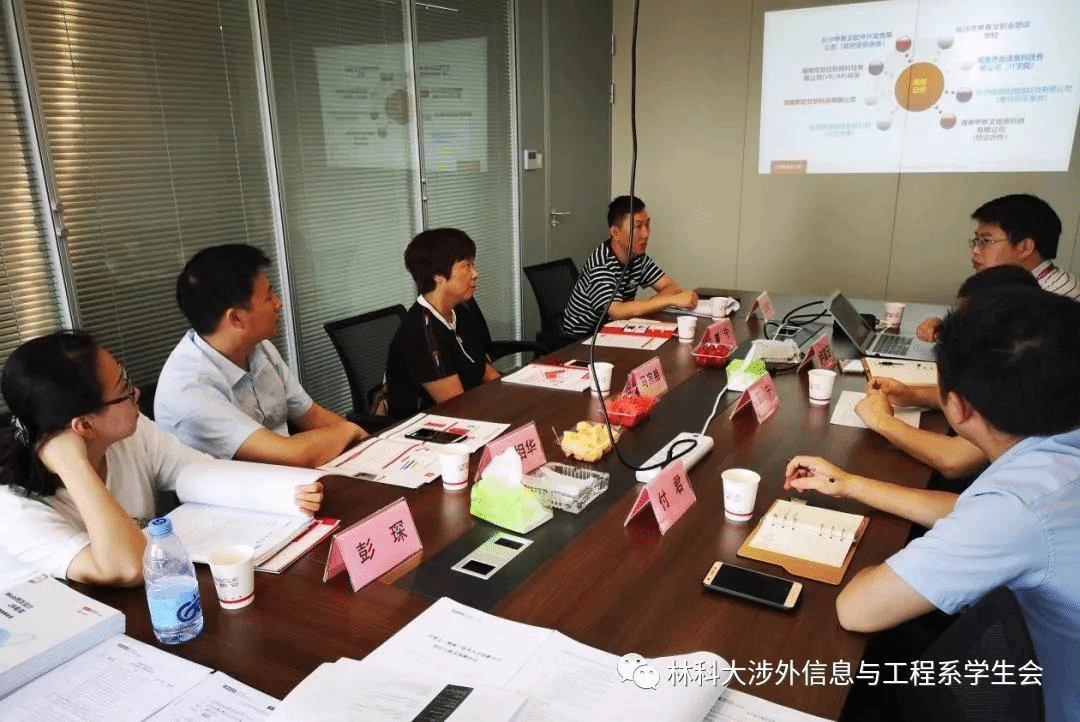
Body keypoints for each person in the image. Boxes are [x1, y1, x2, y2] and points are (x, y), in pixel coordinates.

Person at [786, 287, 1080, 722]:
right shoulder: (1054, 455)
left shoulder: (1019, 508)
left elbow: (857, 609)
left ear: (956, 407)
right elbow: (970, 511)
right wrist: (848, 485)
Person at [0, 331, 325, 587]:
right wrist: (75, 465)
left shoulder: (128, 436)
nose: (137, 393)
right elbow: (128, 567)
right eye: (124, 389)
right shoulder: (16, 509)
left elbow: (199, 472)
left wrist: (281, 492)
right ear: (84, 425)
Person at [155, 244, 366, 467]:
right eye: (269, 297)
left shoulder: (259, 347)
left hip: (288, 476)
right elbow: (290, 454)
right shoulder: (189, 390)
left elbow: (312, 417)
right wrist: (349, 430)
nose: (279, 303)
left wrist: (369, 443)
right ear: (236, 319)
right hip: (243, 485)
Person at [855, 266, 1040, 480]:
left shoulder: (1029, 380)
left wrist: (882, 421)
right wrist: (913, 396)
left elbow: (953, 459)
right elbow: (978, 395)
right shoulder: (1026, 353)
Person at [917, 193, 1080, 341]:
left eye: (986, 241)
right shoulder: (1013, 287)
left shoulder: (1059, 303)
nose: (975, 251)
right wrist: (945, 328)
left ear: (1025, 247)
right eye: (976, 241)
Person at [385, 228, 500, 419]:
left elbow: (485, 371)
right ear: (438, 275)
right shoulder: (421, 332)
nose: (475, 274)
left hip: (472, 409)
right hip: (430, 427)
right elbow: (458, 407)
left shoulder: (460, 310)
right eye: (466, 266)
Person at [559, 195, 698, 338]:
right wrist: (671, 300)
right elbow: (617, 311)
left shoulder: (637, 256)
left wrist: (649, 305)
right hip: (580, 339)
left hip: (614, 330)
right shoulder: (601, 263)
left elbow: (671, 286)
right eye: (638, 227)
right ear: (615, 232)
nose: (646, 234)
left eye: (647, 225)